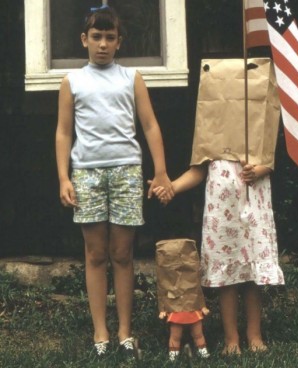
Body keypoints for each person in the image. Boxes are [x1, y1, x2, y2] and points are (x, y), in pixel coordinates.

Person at [54, 6, 173, 359]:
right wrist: (64, 176)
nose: (102, 44)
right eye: (96, 37)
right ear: (84, 40)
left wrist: (162, 171)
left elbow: (150, 125)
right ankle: (100, 333)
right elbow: (63, 132)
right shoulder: (72, 81)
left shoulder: (131, 77)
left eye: (109, 38)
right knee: (95, 254)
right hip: (87, 173)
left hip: (126, 172)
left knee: (122, 254)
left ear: (118, 42)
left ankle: (124, 330)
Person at [153, 158, 285, 355]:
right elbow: (197, 171)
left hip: (254, 199)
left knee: (252, 273)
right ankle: (231, 338)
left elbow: (269, 157)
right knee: (226, 275)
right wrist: (171, 187)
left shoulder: (256, 126)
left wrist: (258, 171)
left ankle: (254, 334)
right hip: (222, 208)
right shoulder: (212, 129)